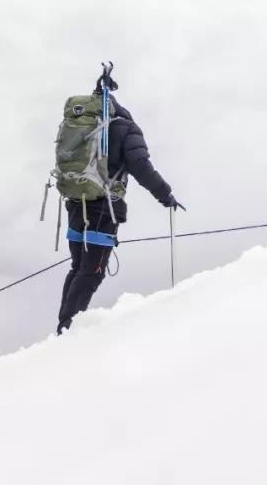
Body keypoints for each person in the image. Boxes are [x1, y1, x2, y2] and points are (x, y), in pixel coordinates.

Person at [56, 71, 180, 335]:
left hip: (77, 201)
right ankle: (67, 330)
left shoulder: (81, 125)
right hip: (104, 207)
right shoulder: (125, 128)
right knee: (92, 272)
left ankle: (63, 325)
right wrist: (165, 195)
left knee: (78, 267)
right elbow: (141, 168)